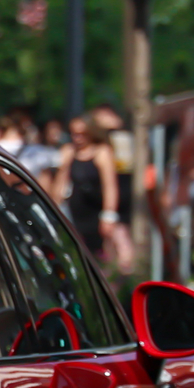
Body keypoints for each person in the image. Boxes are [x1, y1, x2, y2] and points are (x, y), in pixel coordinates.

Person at [66, 111, 134, 270]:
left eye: (82, 133)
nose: (77, 138)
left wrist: (109, 214)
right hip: (76, 213)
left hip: (96, 213)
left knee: (103, 255)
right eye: (74, 134)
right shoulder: (70, 152)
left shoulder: (102, 152)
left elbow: (109, 185)